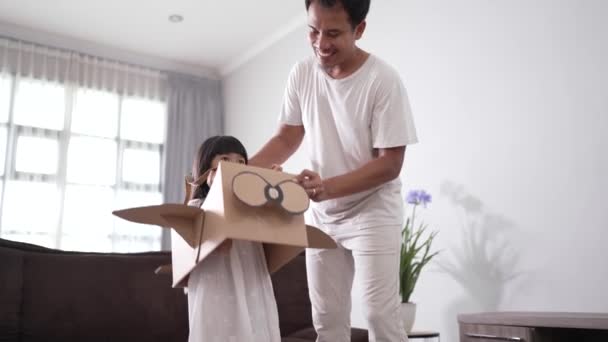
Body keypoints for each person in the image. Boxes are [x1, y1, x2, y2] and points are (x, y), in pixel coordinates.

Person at [249, 0, 418, 341]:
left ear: (359, 30)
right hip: (323, 215)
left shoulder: (383, 80)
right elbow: (286, 137)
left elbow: (390, 164)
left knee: (379, 314)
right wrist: (235, 172)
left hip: (372, 211)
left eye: (333, 33)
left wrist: (327, 187)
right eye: (313, 30)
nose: (320, 43)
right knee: (326, 319)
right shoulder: (302, 73)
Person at [185, 135, 281, 342]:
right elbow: (213, 239)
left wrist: (271, 190)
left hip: (250, 280)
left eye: (240, 161)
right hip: (216, 282)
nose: (234, 166)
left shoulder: (250, 207)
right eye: (225, 160)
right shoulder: (196, 206)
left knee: (254, 326)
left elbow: (273, 227)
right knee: (220, 327)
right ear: (207, 165)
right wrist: (216, 192)